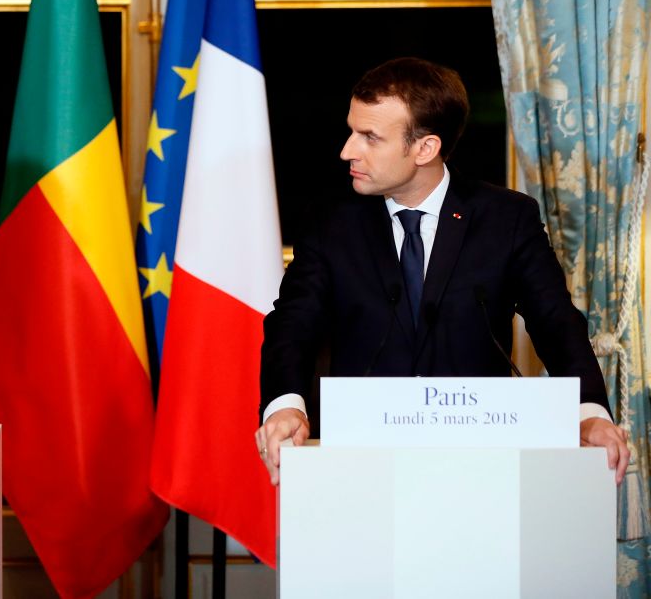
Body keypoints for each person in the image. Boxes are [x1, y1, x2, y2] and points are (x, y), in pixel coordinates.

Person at [255, 57, 629, 485]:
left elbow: (556, 323)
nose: (347, 150)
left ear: (425, 148)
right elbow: (291, 325)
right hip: (358, 466)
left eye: (369, 137)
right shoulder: (331, 222)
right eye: (352, 130)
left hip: (482, 465)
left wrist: (589, 414)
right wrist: (285, 405)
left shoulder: (506, 219)